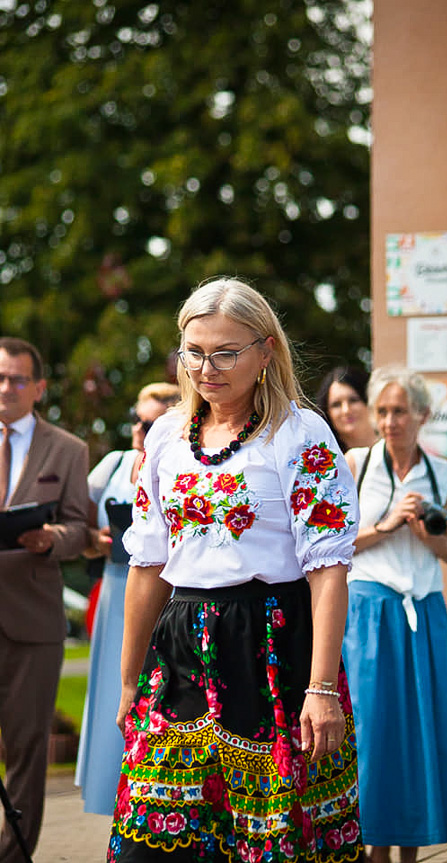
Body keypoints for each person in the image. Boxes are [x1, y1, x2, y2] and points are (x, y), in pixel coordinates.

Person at [106, 277, 363, 863]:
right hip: (180, 645)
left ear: (265, 350)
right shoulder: (167, 435)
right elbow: (147, 564)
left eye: (226, 353)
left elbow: (327, 569)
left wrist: (321, 688)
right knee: (155, 841)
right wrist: (127, 680)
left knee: (270, 838)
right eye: (195, 352)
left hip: (274, 642)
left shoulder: (299, 433)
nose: (207, 367)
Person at [342, 367, 447, 863]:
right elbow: (333, 544)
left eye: (400, 411)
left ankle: (411, 852)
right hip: (369, 610)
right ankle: (372, 849)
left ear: (422, 415)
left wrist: (424, 533)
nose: (390, 421)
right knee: (372, 733)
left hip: (423, 612)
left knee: (418, 732)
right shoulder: (356, 463)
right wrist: (388, 524)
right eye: (383, 411)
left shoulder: (443, 471)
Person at [0, 336, 89, 862]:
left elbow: (81, 528)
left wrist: (50, 538)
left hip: (32, 622)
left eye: (15, 379)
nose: (5, 388)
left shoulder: (68, 449)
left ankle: (14, 854)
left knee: (28, 747)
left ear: (38, 387)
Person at [75, 381, 180, 816]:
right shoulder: (114, 464)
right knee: (110, 697)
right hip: (116, 586)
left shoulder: (178, 461)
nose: (142, 430)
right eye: (138, 421)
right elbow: (73, 517)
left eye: (153, 423)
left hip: (167, 594)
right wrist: (92, 541)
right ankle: (108, 797)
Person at [316, 365, 378, 453]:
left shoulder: (392, 451)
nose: (346, 410)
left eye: (353, 400)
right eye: (336, 405)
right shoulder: (326, 462)